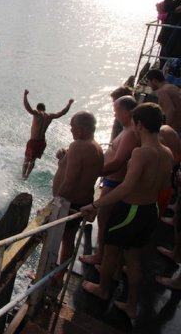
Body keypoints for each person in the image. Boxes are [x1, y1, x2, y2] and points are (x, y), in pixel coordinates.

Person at [80, 103, 174, 320]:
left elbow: (126, 187)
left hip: (130, 210)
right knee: (133, 259)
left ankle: (103, 289)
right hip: (150, 210)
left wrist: (95, 205)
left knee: (111, 253)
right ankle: (131, 305)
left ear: (139, 124)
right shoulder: (167, 152)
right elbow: (164, 186)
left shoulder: (142, 153)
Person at [79, 96, 140, 265]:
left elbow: (119, 162)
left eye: (116, 111)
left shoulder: (130, 133)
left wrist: (94, 173)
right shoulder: (127, 129)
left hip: (115, 182)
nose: (114, 115)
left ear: (126, 112)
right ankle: (103, 255)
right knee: (103, 219)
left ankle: (101, 257)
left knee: (105, 220)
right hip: (110, 181)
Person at [52, 112, 104, 286]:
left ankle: (49, 274)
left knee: (54, 238)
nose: (71, 130)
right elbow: (83, 171)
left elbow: (72, 179)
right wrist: (64, 159)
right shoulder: (95, 146)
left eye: (73, 127)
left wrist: (56, 202)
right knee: (68, 240)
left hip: (69, 203)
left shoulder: (78, 145)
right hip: (82, 201)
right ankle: (59, 275)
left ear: (81, 130)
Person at [22, 89, 74, 179]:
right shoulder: (49, 116)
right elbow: (62, 113)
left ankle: (22, 176)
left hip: (33, 141)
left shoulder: (36, 113)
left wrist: (25, 95)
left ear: (38, 108)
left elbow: (28, 108)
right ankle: (27, 176)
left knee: (26, 159)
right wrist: (69, 104)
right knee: (33, 161)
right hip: (42, 142)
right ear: (44, 109)